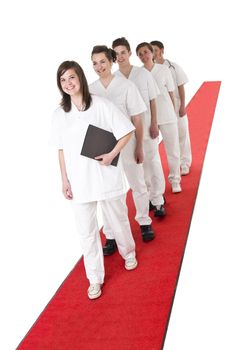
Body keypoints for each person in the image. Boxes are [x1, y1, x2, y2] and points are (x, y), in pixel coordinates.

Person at [49, 61, 138, 300]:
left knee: (117, 219)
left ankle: (128, 253)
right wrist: (64, 180)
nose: (68, 83)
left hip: (105, 174)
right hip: (79, 181)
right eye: (63, 80)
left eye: (72, 78)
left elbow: (126, 130)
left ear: (81, 78)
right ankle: (94, 278)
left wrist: (111, 155)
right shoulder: (59, 115)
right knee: (86, 233)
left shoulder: (101, 104)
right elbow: (60, 150)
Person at [89, 45, 156, 255]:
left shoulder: (126, 86)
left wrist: (139, 145)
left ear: (111, 61)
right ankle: (110, 234)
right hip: (102, 144)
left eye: (102, 61)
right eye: (94, 63)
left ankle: (144, 221)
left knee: (137, 183)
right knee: (108, 193)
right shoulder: (91, 89)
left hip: (127, 141)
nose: (99, 66)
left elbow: (137, 117)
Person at [112, 37, 166, 217]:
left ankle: (158, 200)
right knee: (137, 167)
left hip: (147, 125)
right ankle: (148, 198)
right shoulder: (114, 79)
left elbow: (152, 100)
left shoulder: (143, 75)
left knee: (152, 162)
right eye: (116, 54)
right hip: (126, 132)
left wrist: (154, 123)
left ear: (129, 53)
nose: (120, 56)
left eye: (123, 52)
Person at [136, 42, 182, 193]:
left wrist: (174, 112)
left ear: (152, 53)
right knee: (151, 154)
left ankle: (175, 180)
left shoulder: (163, 70)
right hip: (149, 119)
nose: (144, 56)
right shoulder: (138, 73)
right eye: (140, 54)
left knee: (173, 149)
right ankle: (153, 187)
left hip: (168, 115)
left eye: (146, 52)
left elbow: (171, 93)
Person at [150, 40, 192, 175]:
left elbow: (180, 87)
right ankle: (173, 166)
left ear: (162, 50)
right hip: (160, 108)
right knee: (170, 140)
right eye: (151, 50)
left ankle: (185, 163)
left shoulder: (173, 67)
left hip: (177, 105)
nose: (154, 53)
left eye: (155, 50)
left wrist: (182, 107)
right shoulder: (149, 69)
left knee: (182, 135)